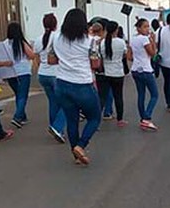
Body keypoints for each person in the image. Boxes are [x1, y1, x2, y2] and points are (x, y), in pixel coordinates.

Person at [51, 8, 102, 165]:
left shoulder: (56, 38)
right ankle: (81, 146)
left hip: (61, 84)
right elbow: (95, 64)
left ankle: (76, 155)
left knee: (71, 120)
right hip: (82, 85)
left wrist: (67, 60)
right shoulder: (90, 41)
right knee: (94, 117)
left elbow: (51, 60)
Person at [33, 13, 66, 143]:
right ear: (55, 24)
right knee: (66, 103)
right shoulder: (58, 37)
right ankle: (57, 127)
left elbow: (36, 59)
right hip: (56, 75)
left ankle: (55, 127)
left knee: (53, 102)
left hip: (43, 74)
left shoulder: (38, 39)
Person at [129, 18, 159, 131]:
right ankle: (147, 117)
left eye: (148, 26)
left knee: (141, 94)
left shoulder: (133, 39)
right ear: (139, 28)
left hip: (136, 69)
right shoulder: (144, 39)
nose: (147, 29)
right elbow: (152, 54)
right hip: (146, 69)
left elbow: (129, 56)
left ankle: (143, 119)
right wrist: (153, 42)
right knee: (154, 95)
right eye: (145, 26)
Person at [5, 22, 35, 129]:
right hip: (23, 72)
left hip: (10, 72)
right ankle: (17, 117)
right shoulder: (21, 43)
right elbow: (31, 55)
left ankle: (22, 116)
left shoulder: (5, 43)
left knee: (18, 94)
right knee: (23, 95)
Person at [99, 21, 128, 127]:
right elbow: (125, 55)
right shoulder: (121, 42)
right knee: (118, 96)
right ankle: (120, 120)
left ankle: (96, 120)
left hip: (105, 73)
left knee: (102, 97)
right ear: (116, 30)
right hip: (118, 73)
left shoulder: (102, 43)